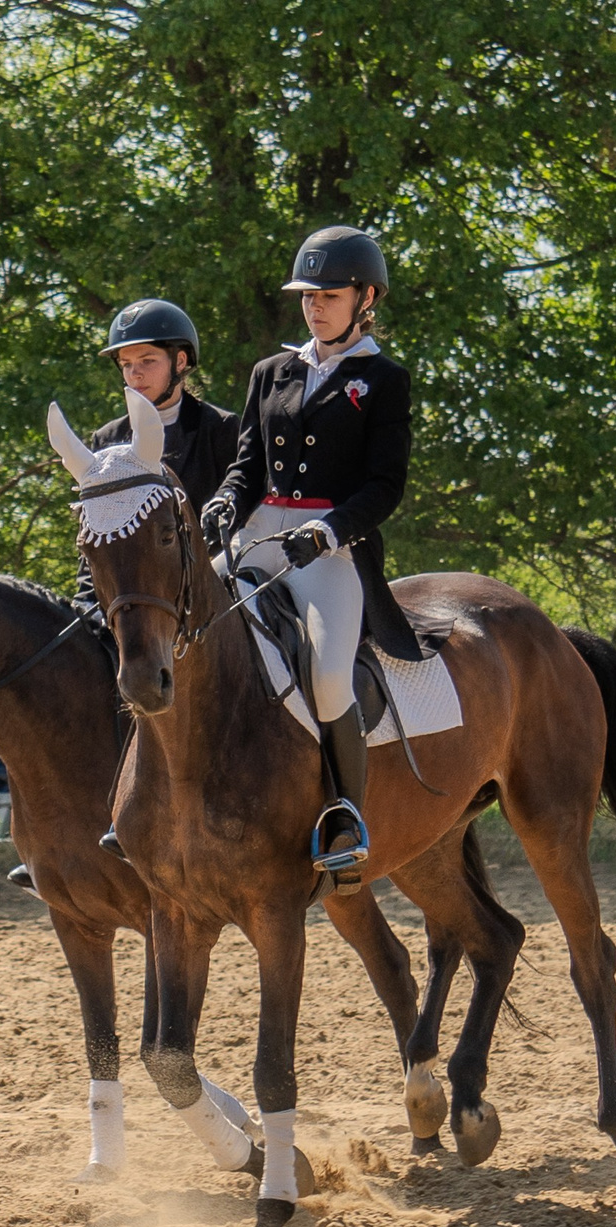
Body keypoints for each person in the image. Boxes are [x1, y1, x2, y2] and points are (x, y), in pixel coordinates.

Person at [199, 226, 416, 887]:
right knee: (179, 630)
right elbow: (246, 467)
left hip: (332, 549)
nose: (314, 306)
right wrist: (223, 506)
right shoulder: (272, 372)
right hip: (260, 532)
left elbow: (385, 485)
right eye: (307, 295)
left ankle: (345, 817)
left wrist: (327, 530)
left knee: (327, 674)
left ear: (366, 297)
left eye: (329, 294)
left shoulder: (383, 380)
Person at [73, 299, 239, 615]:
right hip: (129, 601)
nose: (135, 374)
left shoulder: (220, 428)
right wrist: (84, 603)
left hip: (209, 594)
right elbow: (96, 531)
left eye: (148, 360)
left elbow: (241, 519)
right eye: (126, 364)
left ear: (179, 361)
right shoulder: (107, 440)